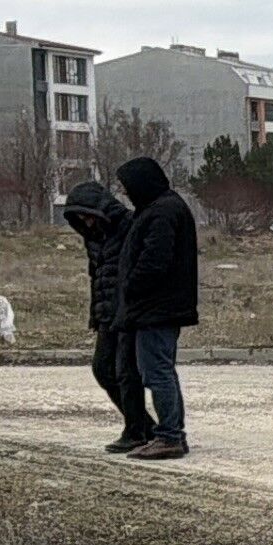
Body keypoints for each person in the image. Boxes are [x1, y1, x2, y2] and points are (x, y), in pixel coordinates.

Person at [112, 156, 197, 461]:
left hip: (157, 308)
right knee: (161, 371)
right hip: (158, 307)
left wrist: (131, 286)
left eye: (127, 186)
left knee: (157, 372)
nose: (124, 192)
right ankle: (172, 434)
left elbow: (154, 261)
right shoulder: (161, 207)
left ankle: (169, 437)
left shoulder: (162, 212)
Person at [60, 179, 152, 452]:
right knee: (102, 369)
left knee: (126, 372)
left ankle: (136, 431)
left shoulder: (129, 226)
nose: (85, 222)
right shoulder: (93, 237)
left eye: (87, 215)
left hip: (130, 310)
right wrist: (96, 314)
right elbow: (97, 276)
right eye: (80, 218)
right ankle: (144, 426)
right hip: (107, 314)